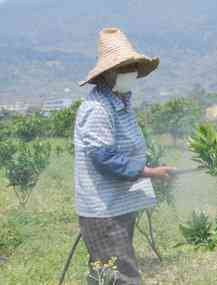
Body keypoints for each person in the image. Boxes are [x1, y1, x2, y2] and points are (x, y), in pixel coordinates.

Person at [74, 27, 175, 285]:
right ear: (108, 74)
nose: (130, 72)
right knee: (121, 275)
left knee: (106, 273)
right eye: (124, 67)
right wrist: (150, 172)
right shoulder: (97, 108)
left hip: (117, 203)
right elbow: (104, 158)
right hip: (103, 209)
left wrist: (150, 169)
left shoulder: (121, 102)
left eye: (132, 67)